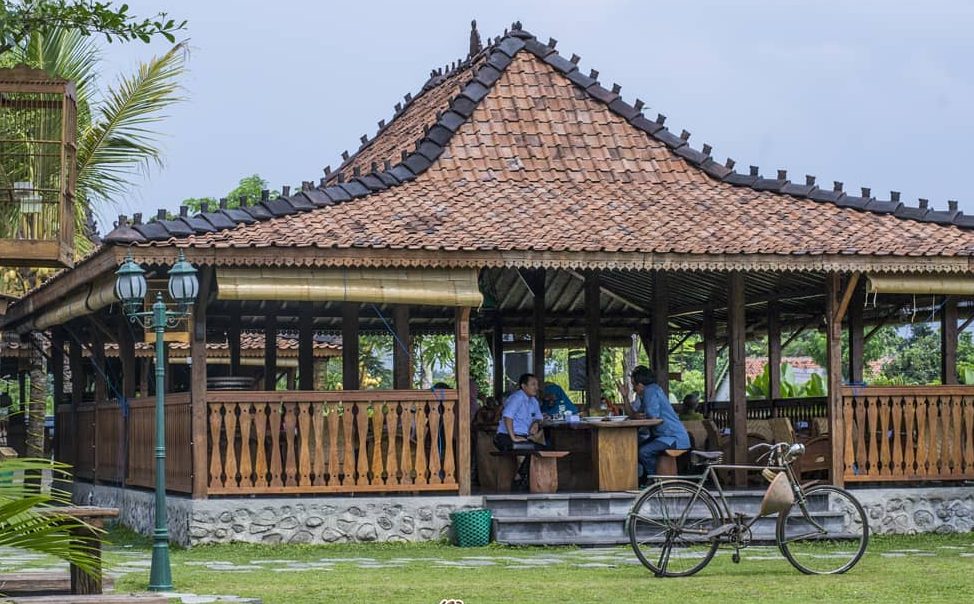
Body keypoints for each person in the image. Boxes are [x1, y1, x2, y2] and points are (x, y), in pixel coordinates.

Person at [628, 366, 690, 483]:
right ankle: (652, 480)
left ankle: (655, 481)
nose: (634, 389)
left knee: (643, 452)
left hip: (673, 437)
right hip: (664, 436)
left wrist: (640, 415)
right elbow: (637, 414)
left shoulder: (650, 391)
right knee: (635, 449)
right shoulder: (652, 390)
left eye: (634, 386)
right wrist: (626, 397)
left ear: (640, 384)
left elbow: (653, 416)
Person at [493, 373, 544, 451]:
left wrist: (536, 423)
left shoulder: (534, 401)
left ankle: (525, 464)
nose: (536, 388)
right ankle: (525, 463)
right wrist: (513, 437)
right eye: (533, 385)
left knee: (544, 450)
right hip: (506, 436)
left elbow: (539, 418)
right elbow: (508, 417)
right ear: (524, 386)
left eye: (537, 385)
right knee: (537, 451)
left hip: (523, 437)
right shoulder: (517, 397)